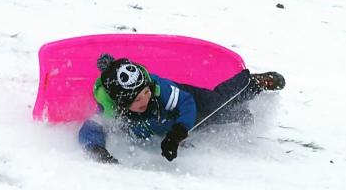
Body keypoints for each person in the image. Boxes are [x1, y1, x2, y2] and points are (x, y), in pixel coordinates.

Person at [78, 53, 285, 164]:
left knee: (218, 103)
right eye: (137, 100)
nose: (145, 100)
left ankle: (253, 83)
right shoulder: (112, 112)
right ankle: (238, 114)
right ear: (123, 104)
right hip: (167, 123)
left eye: (146, 93)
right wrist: (96, 149)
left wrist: (176, 134)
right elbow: (91, 129)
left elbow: (187, 104)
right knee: (206, 125)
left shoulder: (161, 91)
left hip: (189, 101)